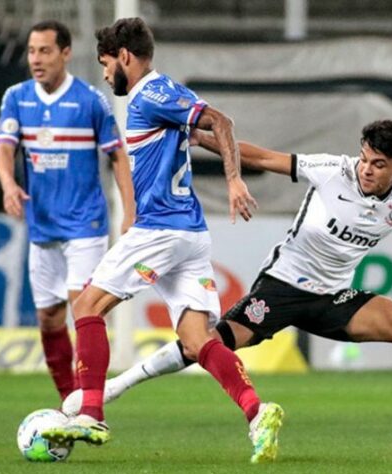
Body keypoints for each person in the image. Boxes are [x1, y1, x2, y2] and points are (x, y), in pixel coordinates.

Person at [81, 119, 392, 461]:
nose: (366, 169)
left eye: (378, 163)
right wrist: (197, 136)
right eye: (364, 158)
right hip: (284, 286)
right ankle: (118, 385)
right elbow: (261, 156)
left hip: (335, 299)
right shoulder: (331, 169)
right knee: (208, 344)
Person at [40, 18, 284, 464]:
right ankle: (257, 411)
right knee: (197, 340)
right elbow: (201, 133)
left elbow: (221, 120)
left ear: (125, 58)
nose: (105, 74)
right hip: (190, 235)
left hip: (161, 229)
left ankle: (91, 413)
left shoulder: (151, 92)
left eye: (106, 63)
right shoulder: (160, 102)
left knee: (86, 307)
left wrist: (233, 180)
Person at [0, 20, 135, 403]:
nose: (36, 59)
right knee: (48, 319)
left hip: (85, 226)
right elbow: (4, 148)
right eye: (31, 51)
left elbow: (118, 157)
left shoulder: (90, 101)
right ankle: (67, 403)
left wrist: (128, 211)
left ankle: (87, 404)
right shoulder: (17, 98)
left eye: (45, 51)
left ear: (65, 53)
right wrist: (9, 185)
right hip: (42, 228)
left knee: (83, 312)